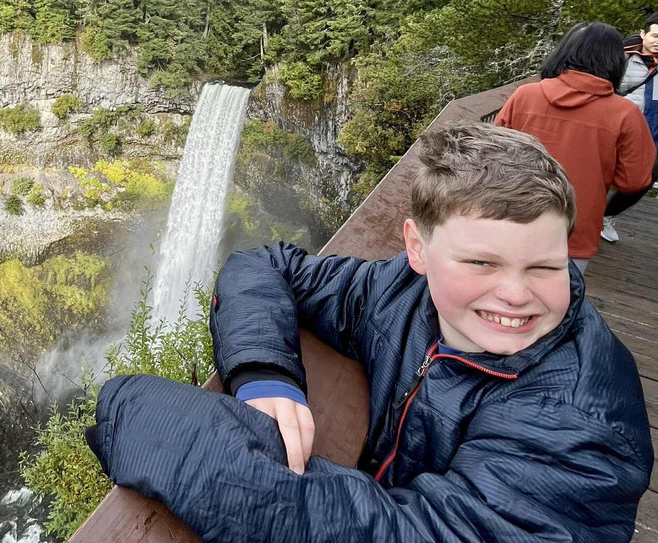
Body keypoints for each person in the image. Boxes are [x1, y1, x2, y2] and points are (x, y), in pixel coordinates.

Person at [86, 124, 652, 543]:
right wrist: (264, 373)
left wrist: (135, 410)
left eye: (546, 266)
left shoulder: (581, 427)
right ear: (417, 249)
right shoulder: (401, 292)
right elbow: (263, 265)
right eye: (482, 263)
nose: (516, 294)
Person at [493, 22, 655, 271]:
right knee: (562, 293)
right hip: (575, 230)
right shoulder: (625, 114)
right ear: (615, 61)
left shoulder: (525, 95)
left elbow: (492, 154)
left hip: (511, 216)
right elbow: (634, 181)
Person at [603, 12, 658, 242]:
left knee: (645, 179)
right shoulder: (621, 56)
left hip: (650, 134)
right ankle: (582, 214)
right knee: (600, 173)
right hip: (613, 127)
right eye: (655, 36)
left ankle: (607, 215)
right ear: (643, 34)